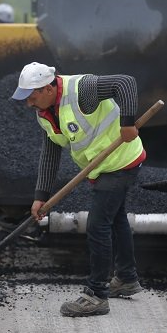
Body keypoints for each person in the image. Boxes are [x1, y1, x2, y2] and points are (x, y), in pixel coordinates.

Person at [11, 62, 146, 317]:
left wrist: (127, 123)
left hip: (120, 160)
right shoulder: (44, 113)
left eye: (32, 96)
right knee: (115, 219)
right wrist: (41, 196)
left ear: (49, 88)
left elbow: (126, 82)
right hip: (102, 167)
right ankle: (127, 278)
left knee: (98, 225)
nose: (29, 103)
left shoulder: (82, 90)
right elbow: (50, 153)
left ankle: (96, 295)